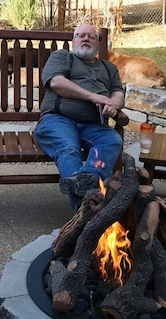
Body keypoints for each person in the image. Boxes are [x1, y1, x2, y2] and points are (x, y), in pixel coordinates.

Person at [34, 23, 125, 211]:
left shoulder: (109, 68)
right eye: (80, 35)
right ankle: (86, 210)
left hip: (93, 124)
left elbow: (118, 93)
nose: (85, 39)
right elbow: (57, 82)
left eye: (91, 36)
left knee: (112, 140)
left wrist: (113, 105)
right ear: (73, 40)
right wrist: (94, 97)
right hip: (59, 119)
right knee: (68, 148)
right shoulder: (62, 57)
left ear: (98, 44)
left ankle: (84, 180)